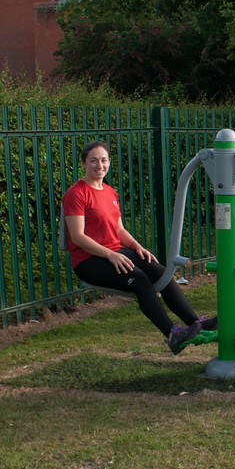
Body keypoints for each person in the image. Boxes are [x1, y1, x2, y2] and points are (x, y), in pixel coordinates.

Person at [63, 141, 216, 355]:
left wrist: (137, 247)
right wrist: (110, 255)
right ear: (83, 164)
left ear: (109, 162)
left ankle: (195, 323)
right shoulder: (76, 194)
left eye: (104, 160)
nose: (100, 165)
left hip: (114, 252)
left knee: (160, 271)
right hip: (89, 260)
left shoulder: (109, 192)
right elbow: (78, 237)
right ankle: (173, 334)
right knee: (140, 280)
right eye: (93, 160)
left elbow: (119, 230)